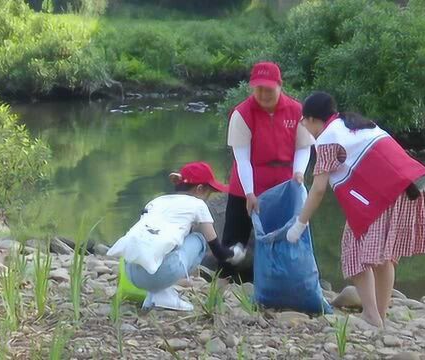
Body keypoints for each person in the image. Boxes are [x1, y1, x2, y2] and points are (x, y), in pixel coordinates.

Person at [287, 92, 425, 327]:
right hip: (409, 186)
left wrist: (300, 223)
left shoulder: (327, 138)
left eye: (305, 121)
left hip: (384, 193)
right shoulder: (353, 123)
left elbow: (318, 189)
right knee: (384, 257)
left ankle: (372, 316)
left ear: (313, 119)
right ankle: (379, 317)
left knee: (353, 253)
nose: (304, 126)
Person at [107, 162, 246, 311]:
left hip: (131, 274)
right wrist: (236, 253)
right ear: (200, 189)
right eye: (208, 193)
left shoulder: (156, 202)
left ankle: (156, 294)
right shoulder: (198, 205)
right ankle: (161, 292)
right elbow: (219, 251)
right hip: (159, 275)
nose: (207, 198)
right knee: (199, 240)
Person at [223, 61, 315, 261]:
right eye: (259, 89)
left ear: (279, 85)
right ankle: (222, 284)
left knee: (283, 238)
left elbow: (303, 147)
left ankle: (280, 282)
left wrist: (298, 172)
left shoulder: (296, 110)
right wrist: (249, 192)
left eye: (269, 89)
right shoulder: (242, 113)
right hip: (246, 183)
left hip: (283, 185)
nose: (264, 94)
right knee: (233, 241)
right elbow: (242, 159)